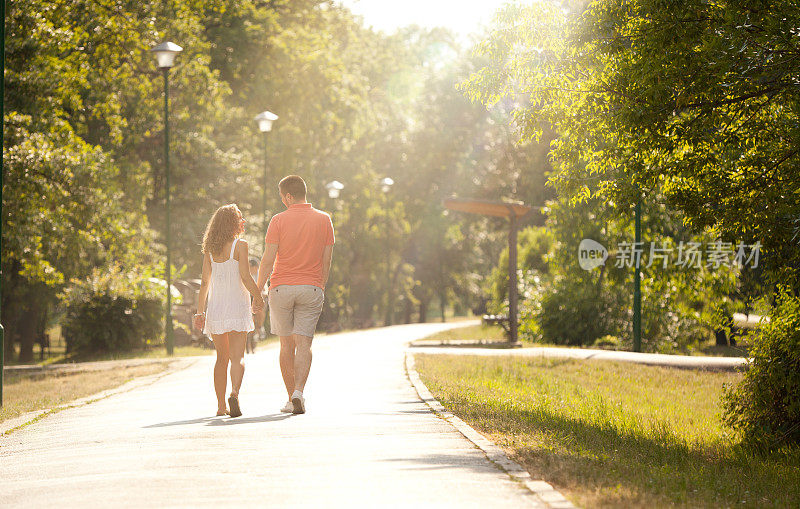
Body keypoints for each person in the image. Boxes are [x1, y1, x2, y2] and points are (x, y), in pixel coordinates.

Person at [257, 175, 334, 414]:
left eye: (282, 197)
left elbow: (268, 259)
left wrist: (258, 290)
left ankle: (291, 399)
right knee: (304, 343)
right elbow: (327, 259)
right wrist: (320, 285)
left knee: (285, 345)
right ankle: (300, 391)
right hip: (311, 287)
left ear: (289, 196)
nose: (282, 201)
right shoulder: (324, 219)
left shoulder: (278, 220)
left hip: (281, 288)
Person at [194, 204, 265, 417]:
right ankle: (234, 393)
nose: (243, 221)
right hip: (237, 307)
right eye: (240, 218)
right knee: (237, 357)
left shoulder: (210, 251)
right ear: (232, 223)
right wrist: (258, 296)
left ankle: (220, 406)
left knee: (221, 358)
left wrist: (200, 312)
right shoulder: (240, 246)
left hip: (216, 309)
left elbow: (205, 282)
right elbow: (245, 277)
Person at [247, 257, 266, 354]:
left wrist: (263, 293)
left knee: (261, 310)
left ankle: (260, 326)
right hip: (249, 297)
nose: (251, 269)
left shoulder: (259, 275)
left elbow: (263, 288)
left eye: (252, 267)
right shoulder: (247, 274)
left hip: (257, 296)